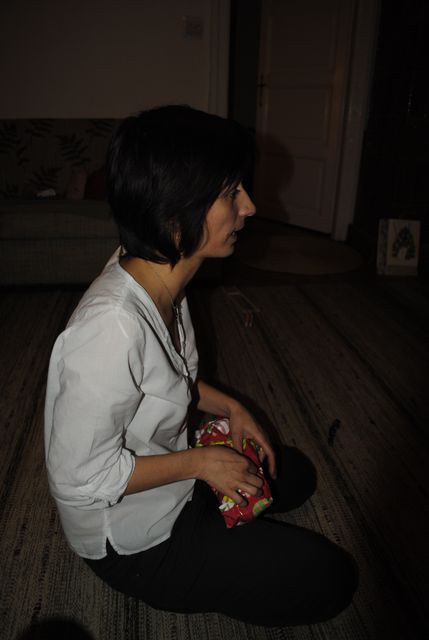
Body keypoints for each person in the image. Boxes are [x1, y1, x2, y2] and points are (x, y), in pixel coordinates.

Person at [44, 105, 357, 627]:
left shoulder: (157, 274)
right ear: (175, 216)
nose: (250, 207)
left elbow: (168, 378)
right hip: (135, 540)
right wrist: (202, 464)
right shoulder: (108, 330)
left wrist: (230, 406)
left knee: (294, 474)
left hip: (173, 477)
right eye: (232, 193)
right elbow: (79, 479)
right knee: (332, 579)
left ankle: (213, 500)